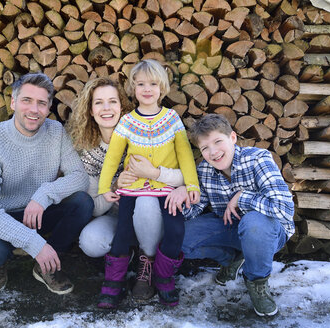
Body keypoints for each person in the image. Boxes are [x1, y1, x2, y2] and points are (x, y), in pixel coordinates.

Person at [66, 77, 186, 301]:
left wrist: (155, 174)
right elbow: (93, 207)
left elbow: (183, 172)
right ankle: (128, 253)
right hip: (115, 218)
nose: (106, 108)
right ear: (90, 110)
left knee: (145, 200)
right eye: (99, 103)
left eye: (112, 101)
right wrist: (114, 187)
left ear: (122, 106)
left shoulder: (145, 134)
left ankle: (147, 265)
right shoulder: (88, 151)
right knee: (90, 242)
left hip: (151, 215)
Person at [0, 72, 93, 295]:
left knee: (83, 203)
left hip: (40, 212)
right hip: (4, 216)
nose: (34, 110)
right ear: (13, 102)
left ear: (48, 108)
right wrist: (35, 244)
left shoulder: (55, 132)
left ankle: (45, 265)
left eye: (41, 103)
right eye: (27, 100)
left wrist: (43, 195)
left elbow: (79, 176)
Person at [97, 60, 200, 308]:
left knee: (175, 230)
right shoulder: (127, 122)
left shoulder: (172, 119)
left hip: (167, 190)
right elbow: (113, 157)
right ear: (133, 88)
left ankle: (163, 277)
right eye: (141, 84)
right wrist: (104, 187)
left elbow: (185, 154)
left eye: (153, 84)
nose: (147, 89)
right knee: (122, 232)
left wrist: (192, 185)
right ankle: (114, 282)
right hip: (133, 189)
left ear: (162, 87)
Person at [181, 113, 295, 317]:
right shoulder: (205, 170)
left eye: (218, 142)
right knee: (179, 238)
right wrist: (182, 192)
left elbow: (284, 209)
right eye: (205, 148)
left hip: (267, 232)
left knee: (254, 223)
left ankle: (256, 281)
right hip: (230, 229)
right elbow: (195, 210)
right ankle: (232, 259)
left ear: (232, 138)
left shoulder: (258, 159)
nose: (213, 152)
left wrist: (242, 197)